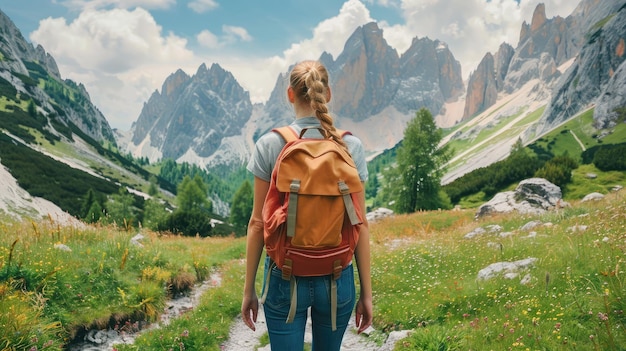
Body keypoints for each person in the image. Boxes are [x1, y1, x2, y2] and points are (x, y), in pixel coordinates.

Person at [241, 60, 373, 351]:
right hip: (339, 276)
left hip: (284, 276)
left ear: (290, 94)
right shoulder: (351, 146)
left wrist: (249, 289)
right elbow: (360, 223)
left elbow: (257, 223)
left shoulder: (269, 144)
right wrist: (366, 293)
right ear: (328, 93)